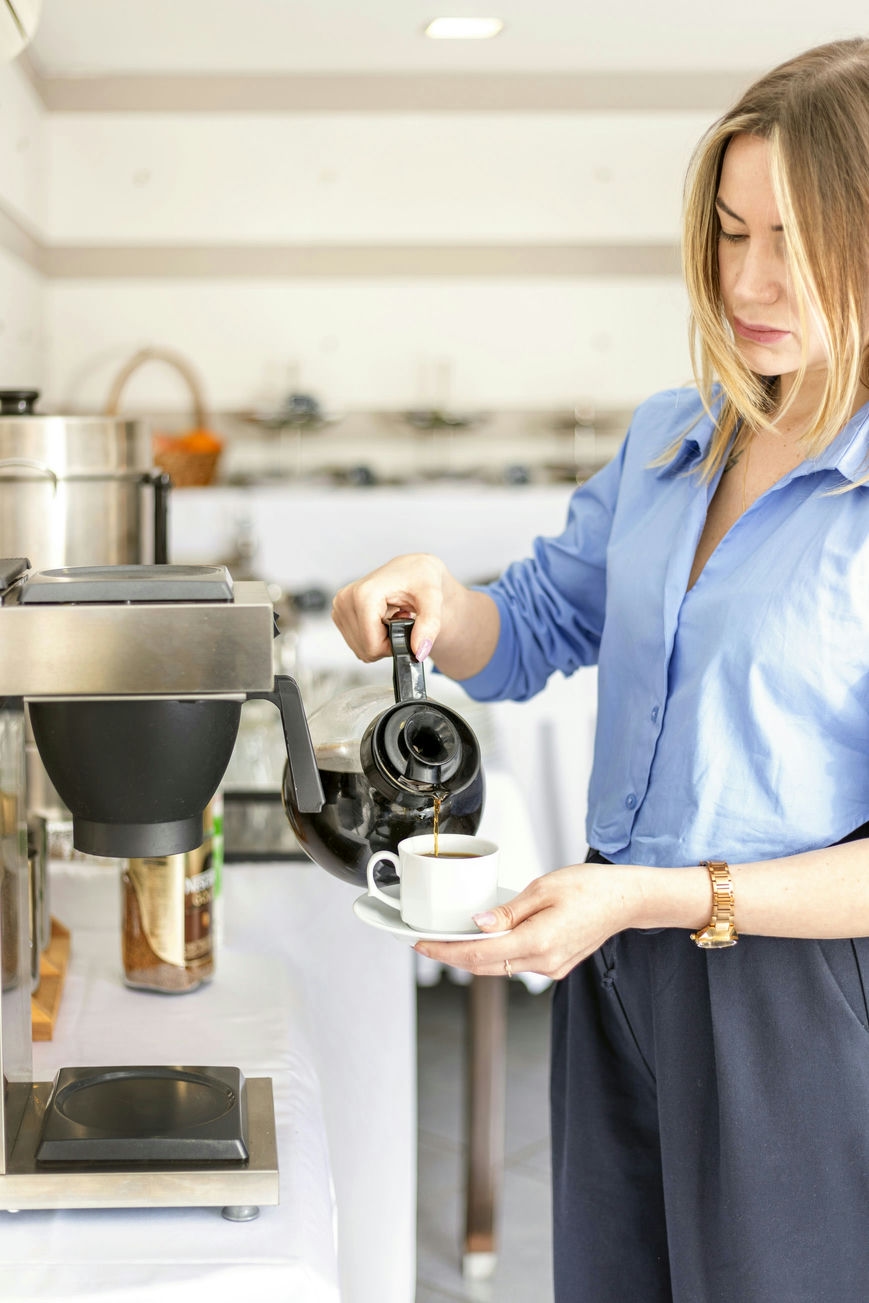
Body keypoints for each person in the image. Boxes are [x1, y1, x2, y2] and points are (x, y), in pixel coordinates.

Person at [332, 37, 869, 1303]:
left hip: (790, 990)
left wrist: (648, 897)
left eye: (792, 241)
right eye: (729, 233)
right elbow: (531, 624)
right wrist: (440, 603)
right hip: (616, 955)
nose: (747, 279)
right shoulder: (670, 436)